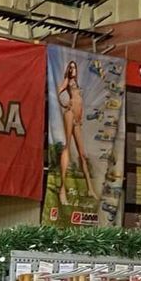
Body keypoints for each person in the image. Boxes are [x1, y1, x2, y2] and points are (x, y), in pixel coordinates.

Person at [55, 59, 95, 206]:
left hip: (78, 118)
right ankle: (62, 190)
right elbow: (58, 91)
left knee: (82, 154)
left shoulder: (76, 82)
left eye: (74, 67)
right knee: (67, 147)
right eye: (70, 68)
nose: (72, 70)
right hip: (70, 113)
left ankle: (90, 189)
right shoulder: (67, 81)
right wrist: (64, 103)